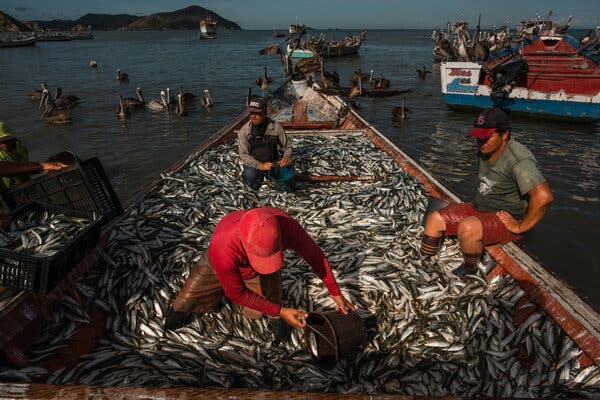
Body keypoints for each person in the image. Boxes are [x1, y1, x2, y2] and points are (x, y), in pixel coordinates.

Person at [165, 207, 355, 335]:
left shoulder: (287, 227)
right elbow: (236, 293)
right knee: (185, 303)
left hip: (253, 271)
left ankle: (274, 319)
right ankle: (176, 319)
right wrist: (282, 311)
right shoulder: (224, 246)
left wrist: (335, 293)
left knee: (259, 310)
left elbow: (316, 257)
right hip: (217, 263)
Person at [420, 108, 554, 275]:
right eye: (478, 136)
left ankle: (470, 270)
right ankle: (424, 266)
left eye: (486, 137)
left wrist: (520, 226)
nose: (480, 142)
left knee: (467, 228)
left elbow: (544, 197)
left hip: (505, 217)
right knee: (434, 219)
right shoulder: (486, 149)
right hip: (481, 206)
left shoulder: (519, 160)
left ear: (504, 135)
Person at [237, 97, 295, 192]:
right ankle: (253, 190)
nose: (253, 116)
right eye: (251, 113)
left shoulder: (276, 127)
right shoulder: (245, 131)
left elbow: (287, 146)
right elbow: (243, 154)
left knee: (287, 174)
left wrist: (287, 157)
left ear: (265, 112)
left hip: (273, 162)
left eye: (257, 113)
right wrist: (260, 165)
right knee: (250, 174)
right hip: (253, 164)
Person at [0, 122, 67, 189]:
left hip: (26, 187)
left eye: (7, 140)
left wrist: (46, 165)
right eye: (1, 142)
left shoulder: (20, 149)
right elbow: (6, 169)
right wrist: (42, 166)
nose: (5, 145)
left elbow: (24, 167)